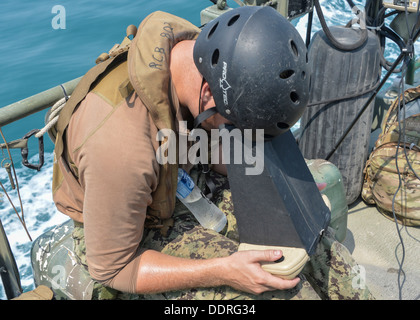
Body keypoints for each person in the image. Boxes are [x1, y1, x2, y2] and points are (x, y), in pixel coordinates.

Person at [52, 6, 374, 300]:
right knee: (272, 291)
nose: (246, 135)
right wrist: (224, 269)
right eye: (242, 124)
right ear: (208, 96)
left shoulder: (206, 59)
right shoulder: (121, 149)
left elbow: (215, 141)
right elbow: (114, 268)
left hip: (184, 176)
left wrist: (289, 186)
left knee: (315, 239)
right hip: (137, 229)